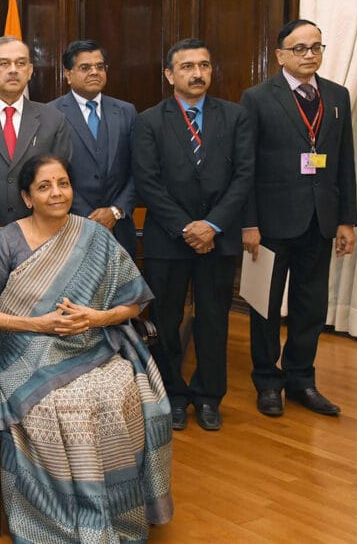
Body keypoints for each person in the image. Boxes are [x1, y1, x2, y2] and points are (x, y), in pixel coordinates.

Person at [0, 155, 172, 543]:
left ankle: (112, 512)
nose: (56, 193)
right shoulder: (10, 238)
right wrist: (39, 324)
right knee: (57, 406)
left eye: (62, 183)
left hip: (92, 344)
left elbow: (135, 304)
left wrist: (95, 318)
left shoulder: (94, 235)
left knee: (120, 394)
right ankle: (61, 518)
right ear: (27, 197)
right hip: (26, 350)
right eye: (44, 186)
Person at [132, 38, 254, 431]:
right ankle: (173, 394)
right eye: (187, 66)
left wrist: (212, 225)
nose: (197, 73)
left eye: (203, 65)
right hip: (168, 240)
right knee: (165, 322)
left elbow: (244, 177)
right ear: (169, 74)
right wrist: (187, 227)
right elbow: (147, 182)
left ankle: (208, 396)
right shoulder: (149, 120)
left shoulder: (235, 117)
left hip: (218, 239)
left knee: (214, 320)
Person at [241, 19, 357, 417]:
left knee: (311, 307)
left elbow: (345, 163)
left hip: (320, 221)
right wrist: (249, 223)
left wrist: (347, 220)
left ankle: (302, 380)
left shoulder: (337, 96)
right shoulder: (256, 98)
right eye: (300, 48)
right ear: (280, 55)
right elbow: (247, 166)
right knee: (265, 307)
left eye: (316, 47)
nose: (310, 55)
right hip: (270, 225)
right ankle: (267, 382)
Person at [0, 36, 70, 226]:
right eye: (4, 64)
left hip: (38, 230)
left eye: (20, 63)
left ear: (30, 71)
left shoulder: (53, 119)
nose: (13, 70)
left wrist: (34, 223)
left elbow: (59, 181)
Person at [49, 39, 138, 258]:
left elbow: (140, 170)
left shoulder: (126, 112)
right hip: (69, 227)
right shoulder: (50, 114)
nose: (94, 72)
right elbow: (49, 172)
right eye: (85, 67)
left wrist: (115, 211)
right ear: (68, 75)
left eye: (100, 67)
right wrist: (86, 216)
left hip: (119, 229)